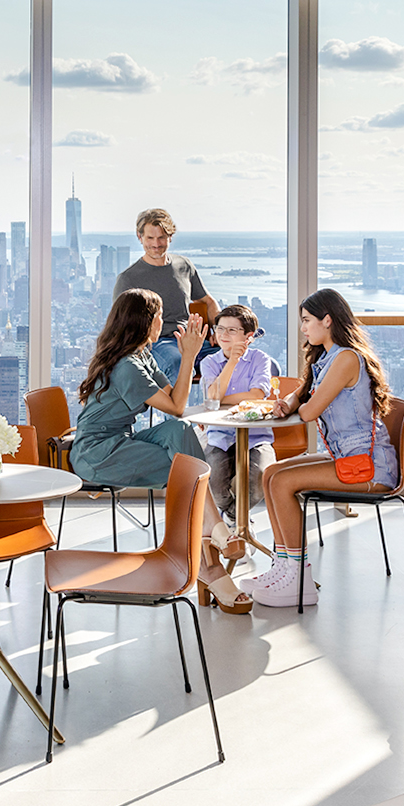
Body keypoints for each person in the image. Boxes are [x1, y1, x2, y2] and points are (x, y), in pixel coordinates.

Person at [69, 289, 249, 613]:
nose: (163, 323)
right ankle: (210, 558)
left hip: (120, 442)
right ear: (145, 322)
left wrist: (188, 355)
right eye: (159, 317)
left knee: (179, 434)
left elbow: (175, 404)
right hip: (98, 454)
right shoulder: (127, 366)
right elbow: (177, 405)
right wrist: (189, 356)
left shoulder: (142, 355)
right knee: (186, 472)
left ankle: (210, 541)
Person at [253, 289, 399, 608]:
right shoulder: (326, 358)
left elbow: (309, 410)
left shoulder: (346, 359)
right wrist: (288, 402)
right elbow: (302, 394)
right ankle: (283, 568)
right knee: (271, 473)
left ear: (327, 320)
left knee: (282, 482)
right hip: (348, 458)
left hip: (369, 467)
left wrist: (298, 404)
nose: (303, 328)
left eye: (307, 320)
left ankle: (299, 579)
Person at [198, 304, 277, 562]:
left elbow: (257, 395)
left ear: (248, 336)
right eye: (220, 329)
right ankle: (236, 519)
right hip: (219, 435)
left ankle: (235, 520)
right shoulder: (210, 361)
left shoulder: (260, 359)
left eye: (232, 330)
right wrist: (231, 361)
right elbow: (212, 397)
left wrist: (220, 398)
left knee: (260, 478)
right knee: (214, 483)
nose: (223, 335)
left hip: (256, 436)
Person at [112, 208, 217, 386]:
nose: (156, 244)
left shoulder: (183, 265)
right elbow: (119, 325)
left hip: (191, 340)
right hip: (158, 344)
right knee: (178, 363)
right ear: (139, 237)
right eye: (150, 238)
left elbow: (207, 301)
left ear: (170, 237)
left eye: (161, 237)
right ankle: (175, 406)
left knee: (238, 356)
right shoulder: (128, 278)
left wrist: (218, 330)